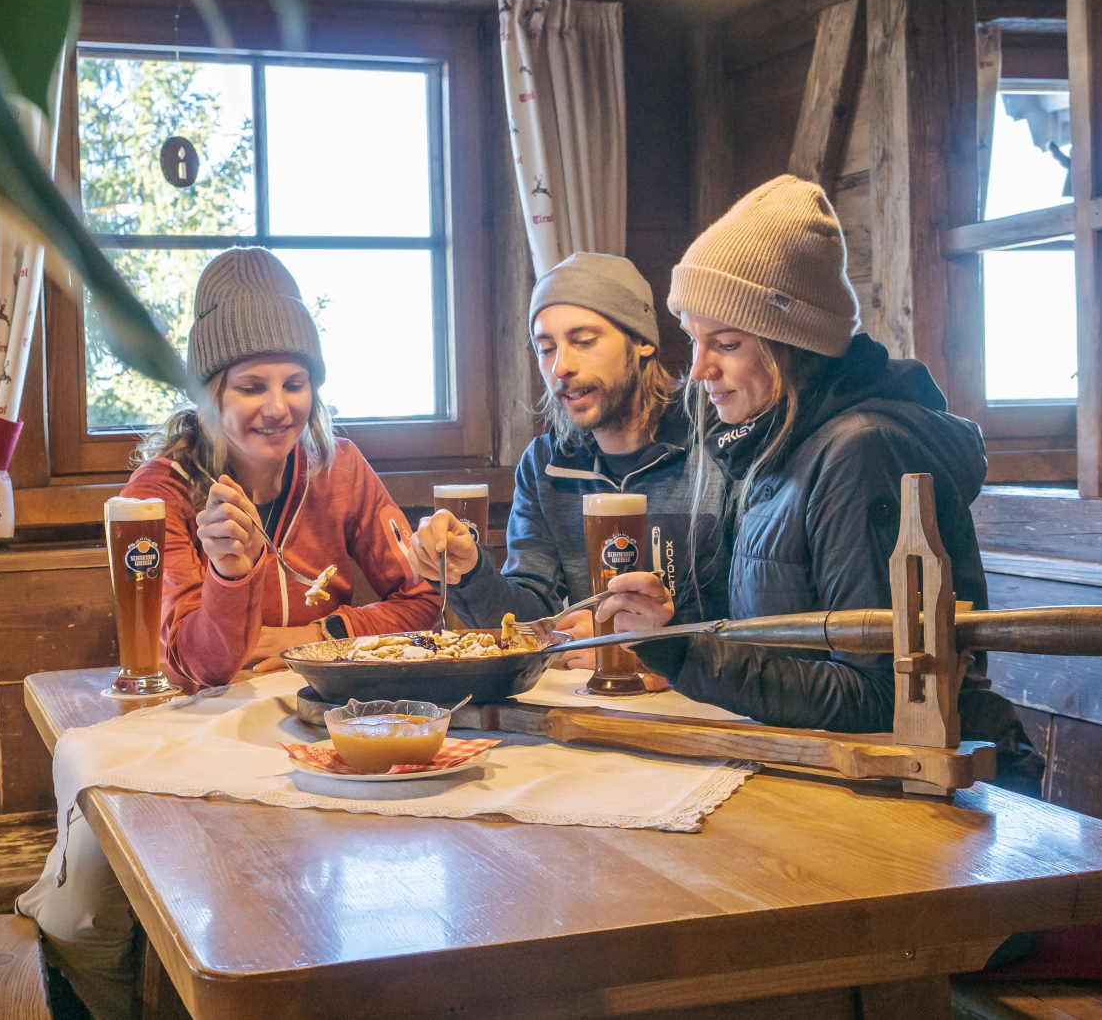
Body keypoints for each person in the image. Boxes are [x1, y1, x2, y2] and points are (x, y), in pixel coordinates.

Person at [18, 248, 437, 1017]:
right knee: (87, 913)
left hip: (323, 729)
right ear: (208, 393)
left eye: (294, 382)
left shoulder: (340, 465)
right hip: (197, 730)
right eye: (250, 385)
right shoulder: (161, 491)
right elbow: (199, 664)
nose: (277, 405)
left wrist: (322, 634)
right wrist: (231, 575)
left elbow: (421, 603)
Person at [596, 175, 1045, 794]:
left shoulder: (858, 452)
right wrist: (666, 627)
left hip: (930, 789)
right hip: (824, 770)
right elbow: (772, 640)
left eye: (726, 343)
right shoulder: (768, 443)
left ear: (793, 345)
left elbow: (880, 697)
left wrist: (684, 656)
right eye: (696, 341)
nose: (698, 370)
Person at [407, 252, 732, 657]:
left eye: (584, 341)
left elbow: (752, 612)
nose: (561, 366)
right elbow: (526, 618)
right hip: (590, 700)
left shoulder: (719, 445)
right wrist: (469, 572)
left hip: (707, 702)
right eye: (546, 348)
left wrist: (643, 642)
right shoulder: (546, 465)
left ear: (643, 341)